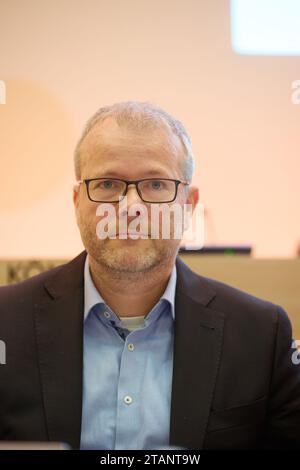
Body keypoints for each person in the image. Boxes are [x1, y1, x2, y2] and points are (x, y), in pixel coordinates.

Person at [0, 101, 299, 450]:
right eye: (108, 183)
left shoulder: (261, 334)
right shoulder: (6, 322)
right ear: (77, 201)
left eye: (156, 185)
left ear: (188, 205)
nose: (130, 208)